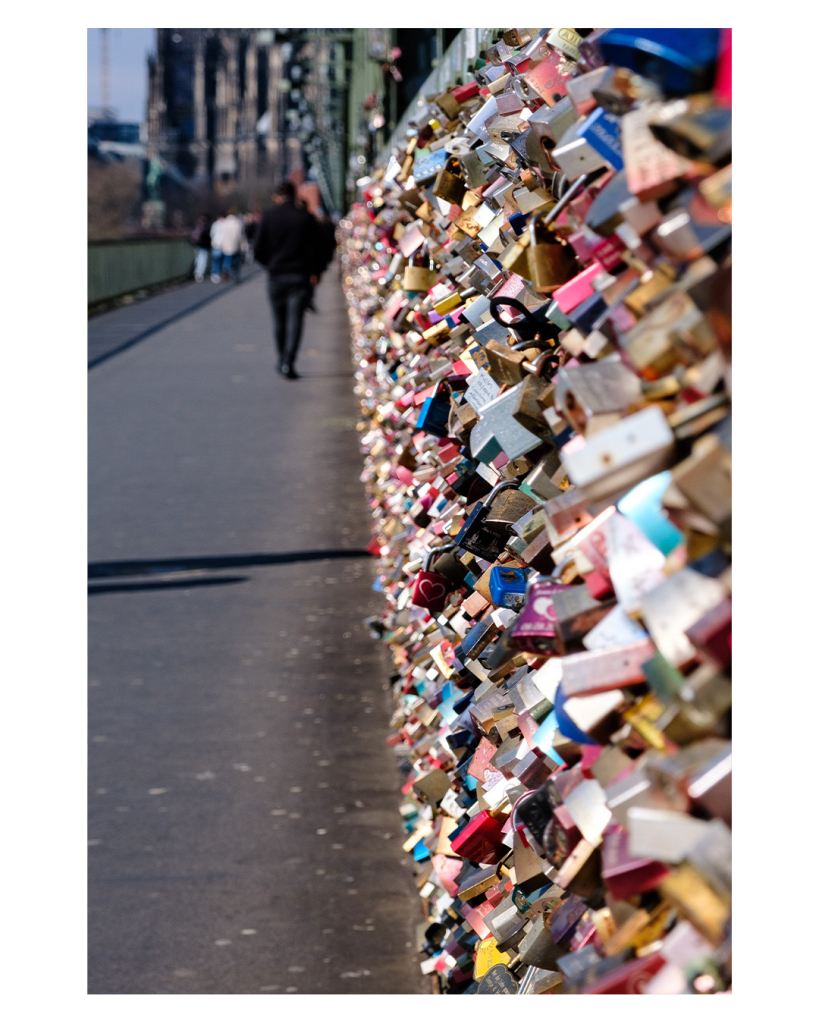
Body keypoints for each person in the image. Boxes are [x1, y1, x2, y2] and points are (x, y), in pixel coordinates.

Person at [253, 182, 322, 379]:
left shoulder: (268, 217)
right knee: (296, 321)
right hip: (299, 275)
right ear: (294, 195)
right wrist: (315, 271)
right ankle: (288, 361)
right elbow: (316, 248)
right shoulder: (305, 218)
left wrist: (270, 264)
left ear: (276, 197)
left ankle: (281, 357)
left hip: (276, 276)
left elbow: (257, 249)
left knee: (279, 320)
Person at [220, 208, 246, 283]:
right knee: (236, 262)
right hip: (235, 244)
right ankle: (235, 276)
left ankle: (226, 273)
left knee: (227, 260)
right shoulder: (238, 223)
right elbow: (240, 236)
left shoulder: (224, 223)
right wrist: (243, 245)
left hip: (226, 245)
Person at [190, 214, 211, 282]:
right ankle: (199, 274)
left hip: (197, 245)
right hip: (203, 246)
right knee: (202, 260)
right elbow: (208, 238)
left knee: (198, 259)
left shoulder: (197, 227)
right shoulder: (205, 228)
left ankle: (196, 273)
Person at [209, 213, 225, 283]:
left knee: (216, 261)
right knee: (222, 260)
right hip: (223, 245)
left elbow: (211, 234)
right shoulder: (225, 224)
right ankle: (222, 274)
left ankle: (215, 274)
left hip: (215, 244)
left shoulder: (215, 224)